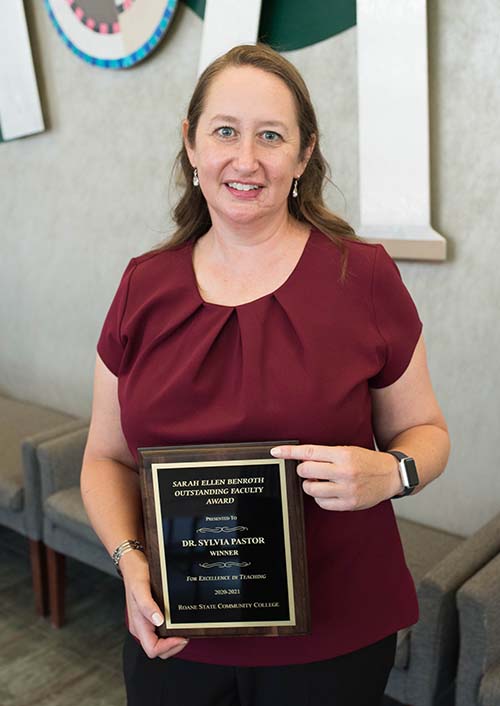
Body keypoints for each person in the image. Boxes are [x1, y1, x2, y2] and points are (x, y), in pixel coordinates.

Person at [81, 43, 450, 706]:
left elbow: (426, 430)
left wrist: (390, 473)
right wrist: (129, 561)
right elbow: (105, 457)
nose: (245, 159)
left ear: (304, 155)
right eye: (225, 131)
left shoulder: (362, 276)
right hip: (175, 634)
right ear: (191, 144)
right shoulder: (143, 285)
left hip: (335, 638)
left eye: (271, 136)